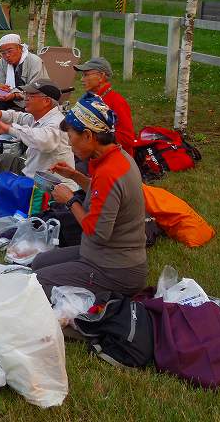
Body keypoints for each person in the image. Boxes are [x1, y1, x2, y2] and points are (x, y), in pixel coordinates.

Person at [31, 94, 148, 301]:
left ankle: (87, 312)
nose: (70, 145)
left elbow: (97, 234)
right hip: (104, 256)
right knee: (40, 262)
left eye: (71, 138)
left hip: (115, 268)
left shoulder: (109, 173)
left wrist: (70, 200)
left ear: (88, 135)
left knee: (38, 282)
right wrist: (76, 176)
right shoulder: (119, 157)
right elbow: (105, 195)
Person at [0, 80, 79, 192]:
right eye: (26, 94)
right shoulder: (39, 116)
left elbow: (44, 141)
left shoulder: (57, 122)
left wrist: (9, 129)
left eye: (31, 95)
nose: (25, 98)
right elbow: (18, 117)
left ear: (46, 101)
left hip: (52, 186)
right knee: (5, 159)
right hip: (33, 174)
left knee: (5, 187)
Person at [73, 57, 136, 156]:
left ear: (101, 76)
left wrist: (93, 137)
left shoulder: (116, 101)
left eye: (86, 75)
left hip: (113, 159)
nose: (82, 79)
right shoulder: (88, 98)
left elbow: (127, 139)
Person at [0, 33, 47, 111]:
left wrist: (15, 95)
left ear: (20, 48)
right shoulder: (3, 62)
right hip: (10, 96)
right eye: (3, 53)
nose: (7, 55)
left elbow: (35, 88)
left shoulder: (34, 61)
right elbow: (0, 83)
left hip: (31, 99)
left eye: (10, 51)